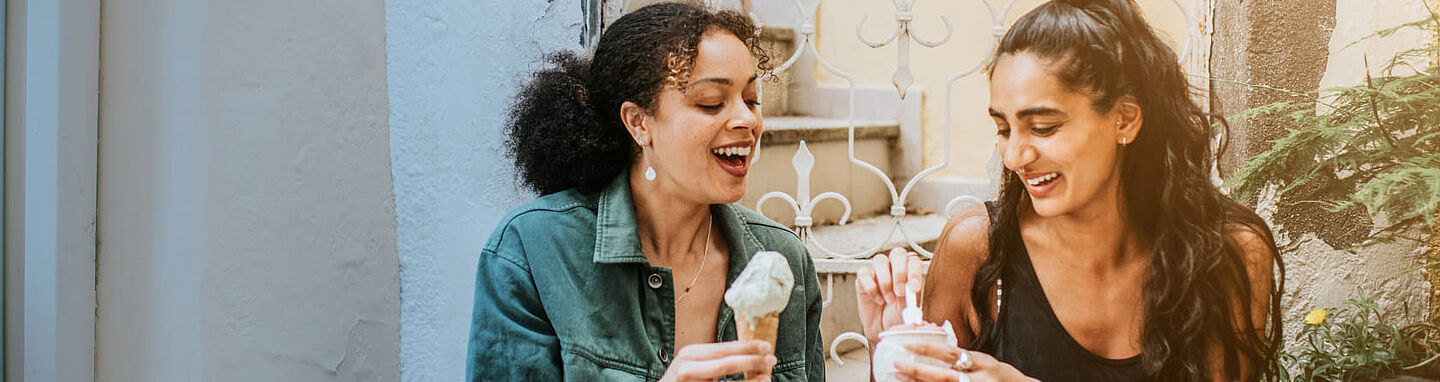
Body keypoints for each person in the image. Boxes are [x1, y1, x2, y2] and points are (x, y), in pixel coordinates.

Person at [855, 0, 1284, 380]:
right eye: (1003, 128)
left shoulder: (1228, 252)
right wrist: (889, 348)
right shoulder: (979, 248)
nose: (1014, 156)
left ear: (1125, 120)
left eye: (1044, 127)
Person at [466, 2, 824, 381]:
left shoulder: (784, 260)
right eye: (711, 103)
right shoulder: (533, 251)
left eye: (751, 100)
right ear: (638, 122)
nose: (748, 120)